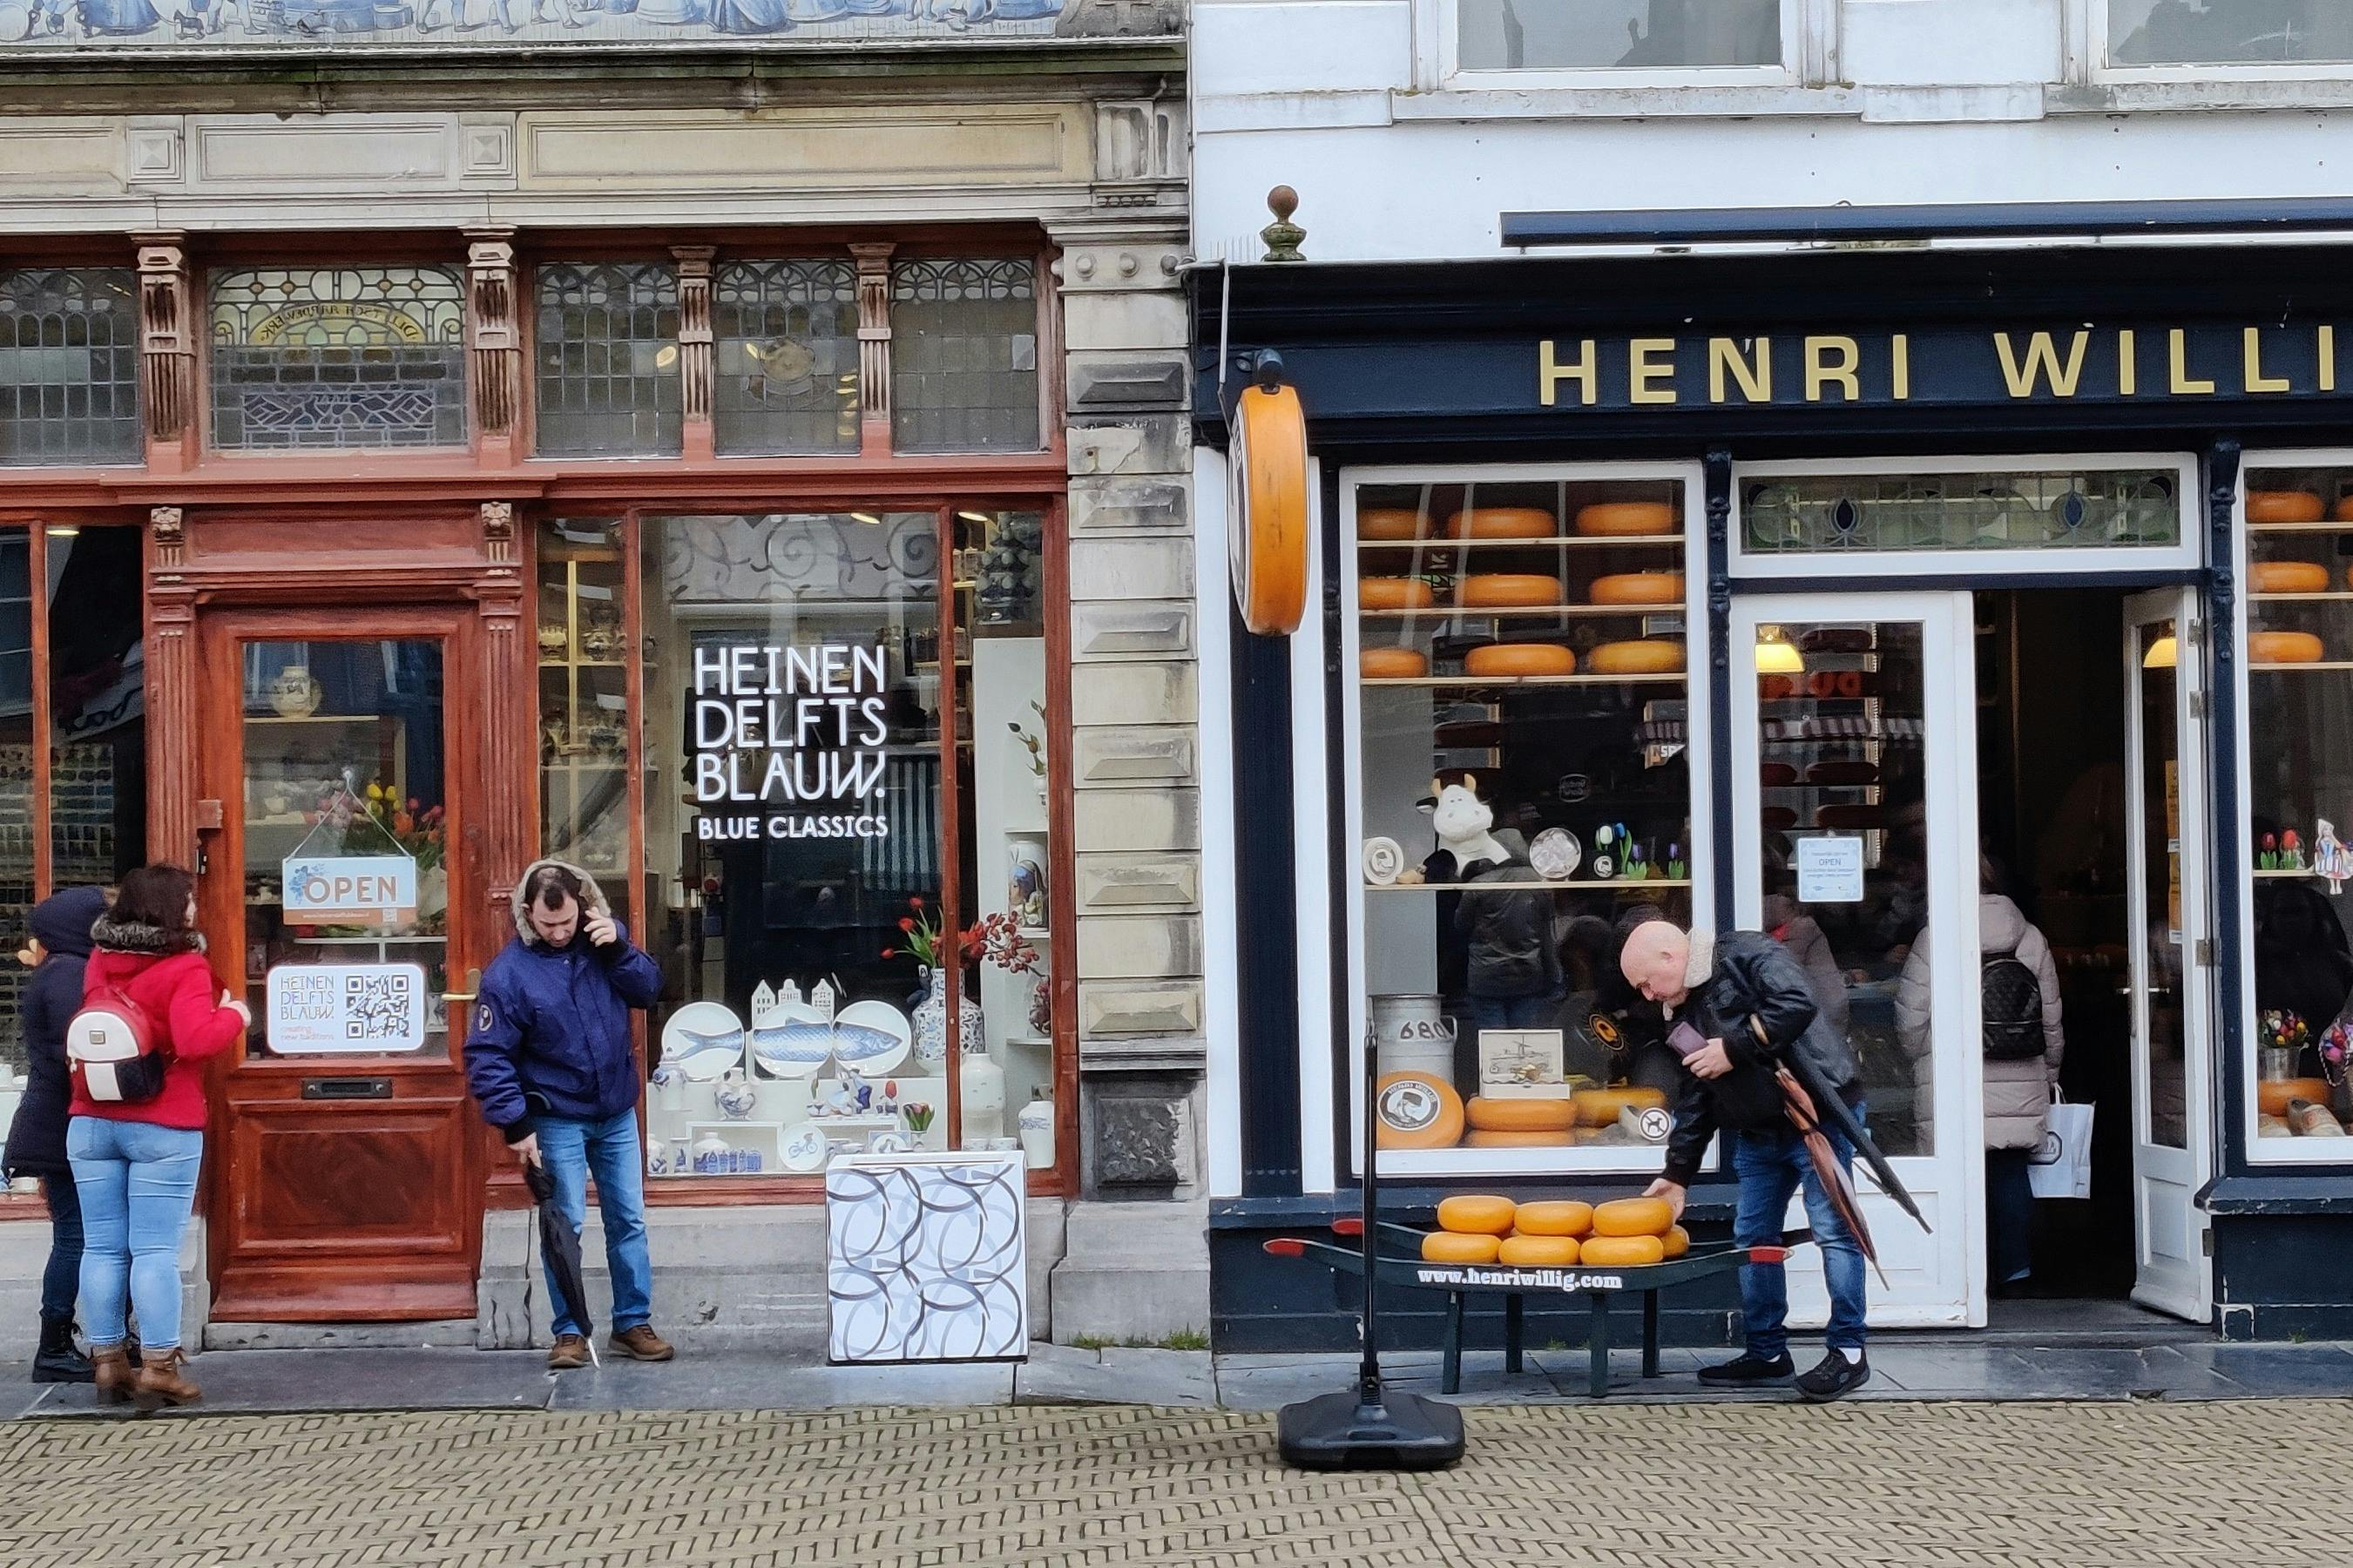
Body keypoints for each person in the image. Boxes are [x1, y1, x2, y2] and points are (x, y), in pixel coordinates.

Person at [1622, 918, 1872, 1402]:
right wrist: (1677, 1176)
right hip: (1760, 1130)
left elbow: (1796, 1003)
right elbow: (1698, 1094)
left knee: (1835, 1230)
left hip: (1815, 1116)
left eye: (1646, 983)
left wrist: (1734, 1048)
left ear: (1670, 960)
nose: (1648, 996)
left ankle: (1849, 1352)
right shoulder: (1681, 1015)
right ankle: (1768, 1353)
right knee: (1752, 1236)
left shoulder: (1745, 952)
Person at [465, 859, 673, 1370]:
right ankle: (570, 1332)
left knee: (629, 1219)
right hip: (556, 1115)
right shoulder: (507, 974)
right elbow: (488, 1056)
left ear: (583, 906)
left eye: (566, 922)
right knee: (566, 1226)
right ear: (527, 914)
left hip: (616, 1111)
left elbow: (650, 990)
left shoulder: (604, 945)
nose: (558, 933)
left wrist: (620, 947)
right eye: (546, 924)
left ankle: (632, 1322)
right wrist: (515, 1124)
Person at [68, 864, 251, 1409]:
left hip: (90, 1116)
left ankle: (106, 1362)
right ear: (174, 908)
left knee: (101, 1245)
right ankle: (159, 1365)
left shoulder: (102, 957)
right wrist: (236, 1015)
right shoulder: (185, 965)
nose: (195, 908)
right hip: (161, 1122)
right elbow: (195, 1040)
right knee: (153, 1249)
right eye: (189, 901)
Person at [1896, 862, 2065, 1293]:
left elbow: (1911, 1019)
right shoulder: (2031, 937)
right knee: (2010, 1174)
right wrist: (2048, 1074)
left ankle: (1959, 1276)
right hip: (2020, 1074)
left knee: (1952, 1176)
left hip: (1953, 1075)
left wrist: (1921, 1060)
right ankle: (2016, 1271)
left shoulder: (1938, 936)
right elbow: (2050, 1021)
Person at [4, 886, 112, 1382]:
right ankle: (53, 1346)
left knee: (79, 1234)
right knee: (78, 1235)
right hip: (60, 1125)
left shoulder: (61, 970)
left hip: (55, 1121)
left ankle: (65, 1342)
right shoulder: (69, 974)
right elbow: (82, 1051)